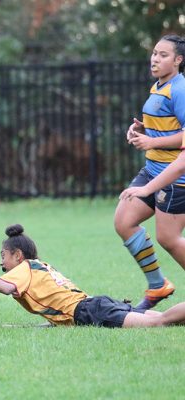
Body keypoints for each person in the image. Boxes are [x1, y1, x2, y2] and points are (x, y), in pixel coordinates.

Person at [0, 224, 185, 328]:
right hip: (94, 305)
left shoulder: (23, 269)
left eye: (3, 256)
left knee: (160, 322)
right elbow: (58, 308)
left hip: (90, 311)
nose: (1, 262)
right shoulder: (39, 266)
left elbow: (6, 288)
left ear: (18, 255)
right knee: (164, 319)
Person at [114, 34, 185, 311]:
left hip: (175, 177)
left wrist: (152, 141)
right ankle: (158, 286)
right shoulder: (159, 86)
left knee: (168, 238)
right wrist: (142, 129)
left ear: (178, 60)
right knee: (124, 221)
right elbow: (168, 125)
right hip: (152, 168)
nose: (155, 59)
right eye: (155, 53)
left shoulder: (180, 89)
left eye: (163, 55)